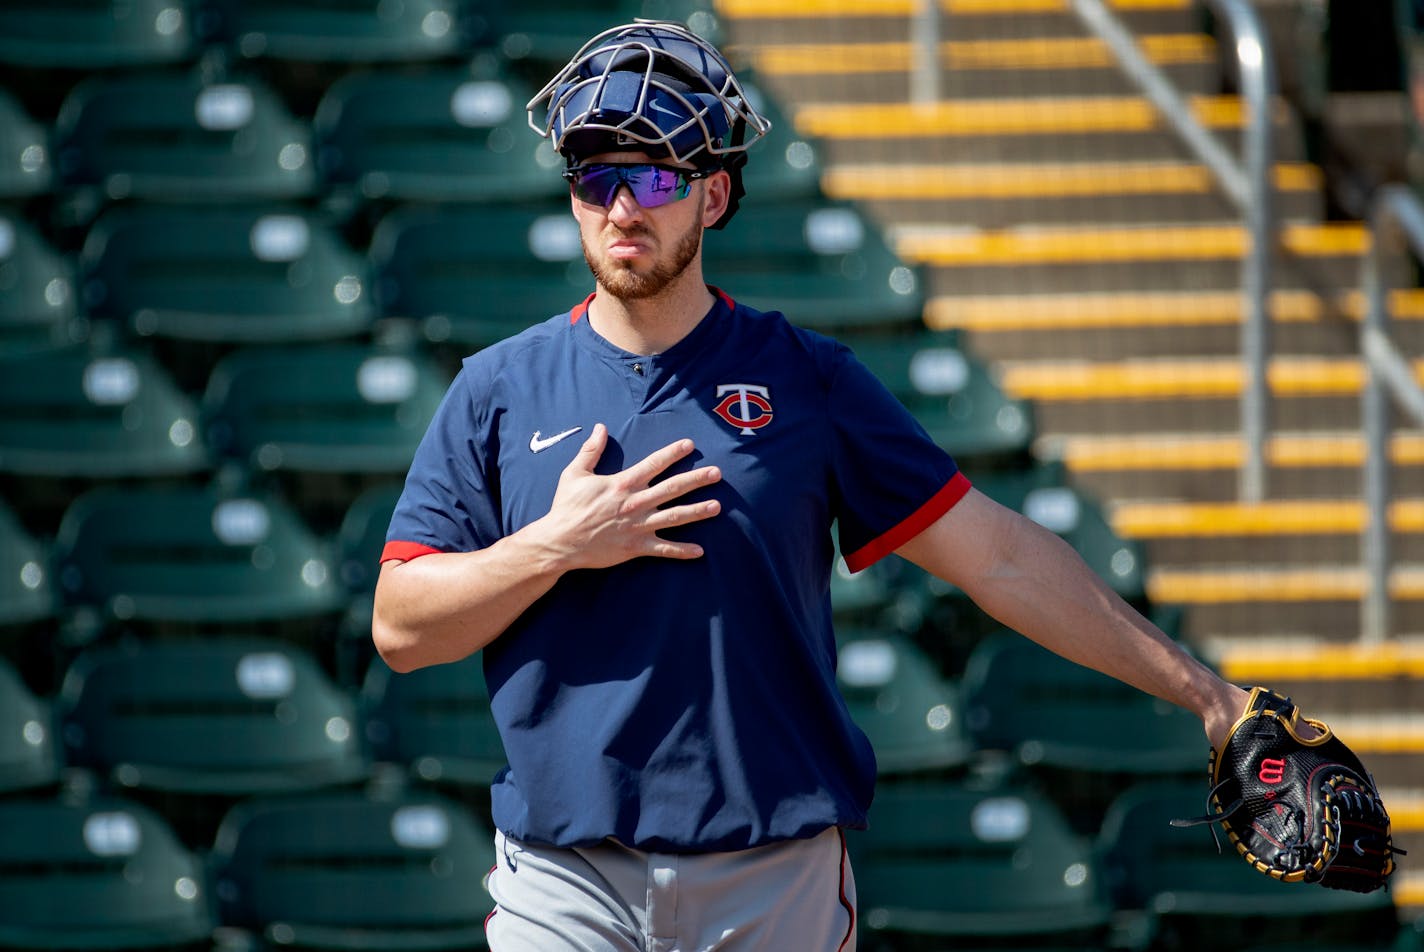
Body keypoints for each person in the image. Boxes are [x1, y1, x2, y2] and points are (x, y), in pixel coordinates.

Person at [372, 19, 1248, 951]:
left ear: (713, 195)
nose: (625, 206)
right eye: (598, 179)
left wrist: (1209, 696)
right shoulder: (497, 387)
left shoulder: (808, 377)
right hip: (563, 878)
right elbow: (399, 627)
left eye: (658, 175)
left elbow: (997, 558)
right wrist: (556, 546)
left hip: (772, 870)